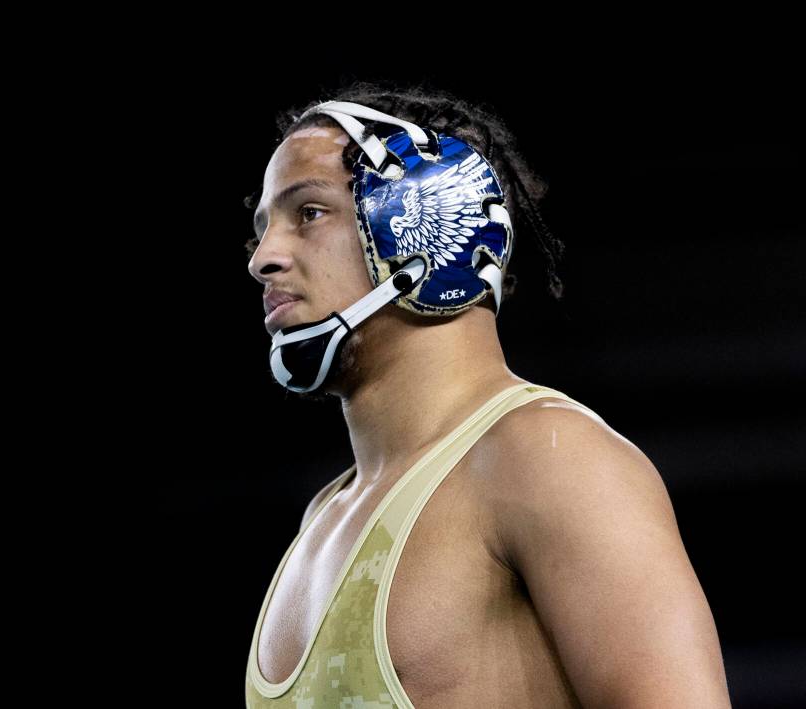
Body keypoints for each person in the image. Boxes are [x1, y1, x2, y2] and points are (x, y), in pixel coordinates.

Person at [243, 81, 730, 708]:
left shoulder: (550, 460)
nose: (263, 258)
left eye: (307, 213)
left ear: (419, 222)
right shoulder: (322, 516)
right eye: (262, 228)